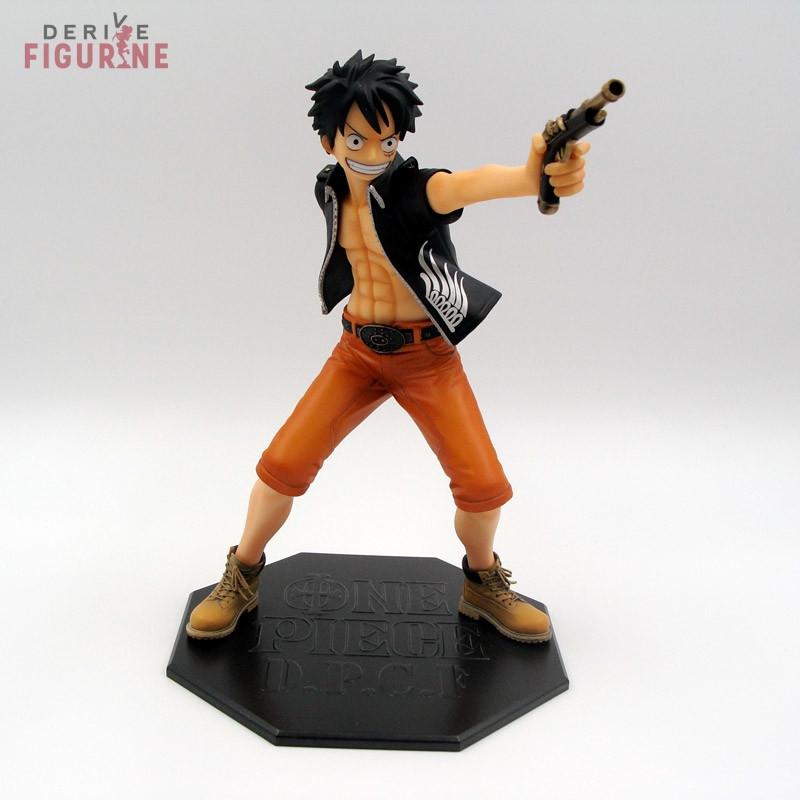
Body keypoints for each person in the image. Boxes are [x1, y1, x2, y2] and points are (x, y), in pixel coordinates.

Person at [186, 51, 589, 644]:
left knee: (483, 488)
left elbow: (470, 183)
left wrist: (533, 175)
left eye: (388, 141)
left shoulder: (416, 191)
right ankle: (241, 574)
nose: (374, 154)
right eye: (357, 139)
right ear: (328, 141)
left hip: (427, 359)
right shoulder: (329, 189)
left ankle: (482, 582)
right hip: (355, 353)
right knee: (282, 466)